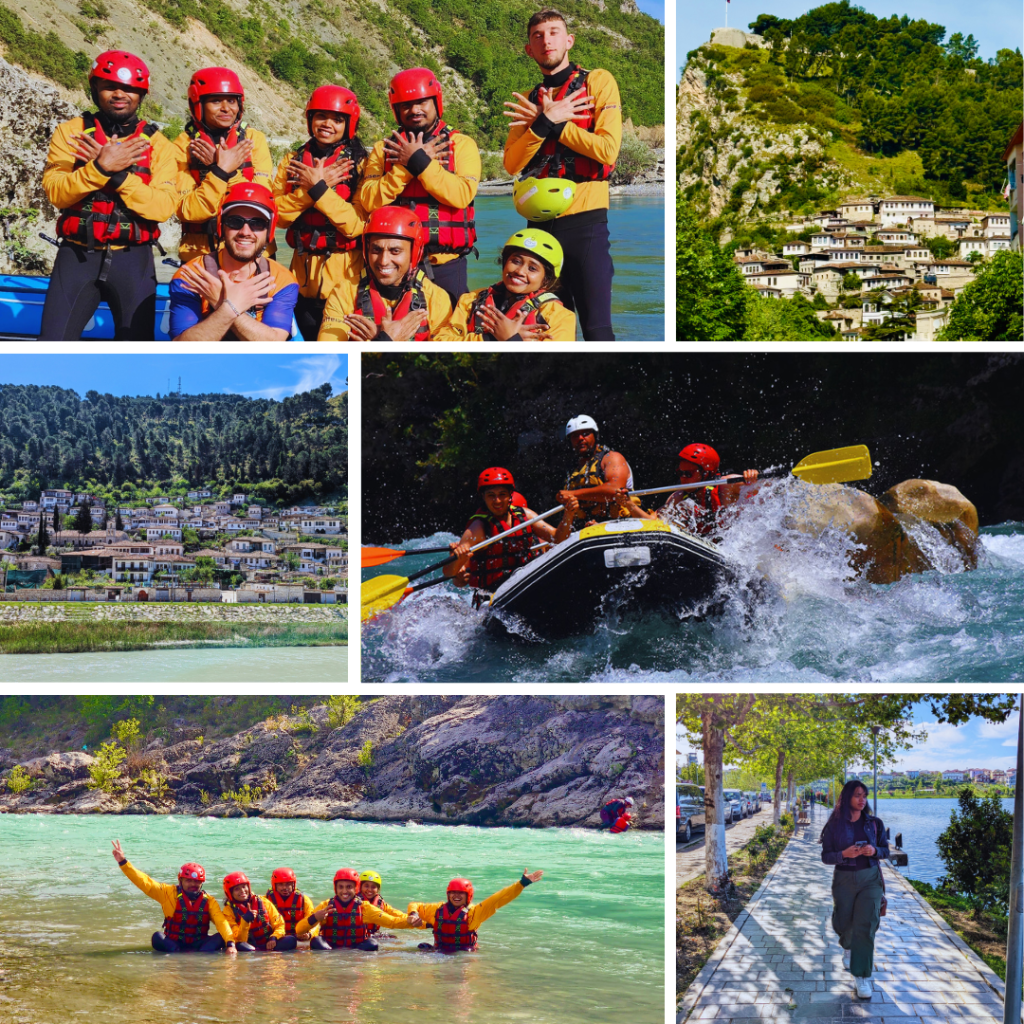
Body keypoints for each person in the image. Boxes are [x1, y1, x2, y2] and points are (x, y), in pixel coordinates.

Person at [39, 50, 178, 340]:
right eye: (110, 86)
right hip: (76, 255)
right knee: (52, 344)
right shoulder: (71, 133)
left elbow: (162, 208)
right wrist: (100, 167)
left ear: (141, 95)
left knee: (136, 351)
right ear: (95, 89)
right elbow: (57, 193)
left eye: (129, 88)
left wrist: (117, 176)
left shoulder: (159, 145)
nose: (119, 94)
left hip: (134, 260)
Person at [503, 10, 622, 340]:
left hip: (586, 223)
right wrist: (540, 124)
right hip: (538, 227)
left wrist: (557, 125)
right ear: (529, 49)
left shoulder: (598, 82)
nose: (546, 40)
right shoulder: (529, 102)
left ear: (568, 41)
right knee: (547, 332)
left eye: (554, 32)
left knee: (598, 331)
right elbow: (511, 164)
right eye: (538, 35)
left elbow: (607, 150)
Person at [359, 68, 480, 308]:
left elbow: (461, 195)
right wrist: (405, 166)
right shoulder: (380, 150)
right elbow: (369, 200)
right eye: (406, 105)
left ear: (436, 101)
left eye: (422, 102)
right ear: (396, 110)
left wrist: (420, 163)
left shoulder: (463, 145)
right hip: (393, 266)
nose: (415, 110)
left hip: (446, 264)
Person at [273, 85, 369, 338]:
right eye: (321, 117)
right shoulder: (292, 161)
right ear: (310, 120)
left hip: (346, 281)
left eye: (337, 119)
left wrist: (318, 188)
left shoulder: (361, 164)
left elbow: (355, 225)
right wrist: (310, 191)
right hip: (301, 280)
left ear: (349, 124)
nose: (327, 124)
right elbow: (277, 217)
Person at [169, 182, 298, 340]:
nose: (245, 232)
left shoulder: (281, 280)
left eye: (257, 224)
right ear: (221, 226)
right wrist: (229, 308)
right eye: (235, 222)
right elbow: (182, 347)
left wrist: (221, 302)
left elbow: (273, 342)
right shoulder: (190, 276)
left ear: (269, 231)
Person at [174, 67, 273, 263]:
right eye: (216, 101)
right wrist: (219, 172)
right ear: (198, 105)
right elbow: (188, 210)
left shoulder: (254, 140)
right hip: (199, 253)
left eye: (231, 101)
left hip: (251, 251)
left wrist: (228, 171)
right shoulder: (182, 145)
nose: (226, 108)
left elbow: (260, 203)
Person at [318, 205, 452, 341]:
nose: (383, 261)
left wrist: (378, 342)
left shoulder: (437, 299)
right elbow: (328, 355)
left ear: (414, 252)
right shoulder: (343, 293)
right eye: (376, 250)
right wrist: (386, 340)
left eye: (395, 251)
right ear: (367, 249)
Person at [444, 467, 577, 592]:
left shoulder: (526, 515)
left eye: (502, 494)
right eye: (491, 495)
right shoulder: (478, 528)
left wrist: (568, 515)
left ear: (510, 495)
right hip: (495, 593)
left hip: (526, 583)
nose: (497, 500)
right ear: (483, 497)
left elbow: (558, 538)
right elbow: (450, 574)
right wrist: (457, 559)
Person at [436, 229, 576, 341]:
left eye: (532, 268)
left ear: (546, 279)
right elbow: (441, 342)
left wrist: (512, 340)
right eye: (516, 261)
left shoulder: (560, 317)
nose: (520, 271)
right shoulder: (471, 300)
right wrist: (490, 339)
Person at [821, 780, 890, 1000]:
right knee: (844, 922)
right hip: (843, 879)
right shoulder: (835, 825)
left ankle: (861, 976)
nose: (862, 800)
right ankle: (848, 947)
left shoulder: (874, 823)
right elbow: (826, 856)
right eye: (857, 795)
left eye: (865, 795)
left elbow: (886, 851)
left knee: (866, 924)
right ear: (847, 797)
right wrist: (844, 855)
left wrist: (874, 850)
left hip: (870, 879)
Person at [110, 840, 234, 953]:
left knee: (220, 938)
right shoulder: (167, 892)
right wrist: (123, 862)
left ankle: (198, 957)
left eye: (197, 882)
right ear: (180, 881)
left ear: (202, 883)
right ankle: (178, 957)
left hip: (199, 945)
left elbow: (221, 923)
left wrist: (230, 943)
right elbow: (144, 882)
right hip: (174, 944)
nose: (193, 885)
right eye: (188, 881)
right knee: (157, 937)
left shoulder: (209, 901)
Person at [614, 444, 759, 537]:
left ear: (706, 474)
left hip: (736, 545)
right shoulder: (678, 498)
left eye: (688, 474)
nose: (683, 478)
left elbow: (765, 489)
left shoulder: (727, 485)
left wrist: (752, 477)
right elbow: (654, 523)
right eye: (680, 473)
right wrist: (628, 504)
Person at [408, 871, 544, 953]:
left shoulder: (474, 912)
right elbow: (415, 905)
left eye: (461, 893)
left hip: (464, 955)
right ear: (448, 894)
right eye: (453, 893)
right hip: (440, 952)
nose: (456, 896)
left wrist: (521, 884)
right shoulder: (437, 909)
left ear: (468, 895)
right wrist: (413, 914)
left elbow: (498, 899)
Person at [296, 868, 417, 950]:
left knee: (372, 944)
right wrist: (315, 918)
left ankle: (356, 964)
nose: (344, 891)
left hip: (356, 948)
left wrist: (411, 922)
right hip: (330, 947)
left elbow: (391, 922)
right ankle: (330, 965)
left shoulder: (365, 908)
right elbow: (299, 929)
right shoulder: (326, 905)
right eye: (341, 887)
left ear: (356, 888)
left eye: (349, 887)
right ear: (335, 888)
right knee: (316, 942)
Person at [557, 415, 637, 525]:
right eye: (575, 436)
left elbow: (615, 490)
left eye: (586, 434)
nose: (580, 438)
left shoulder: (612, 458)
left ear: (595, 436)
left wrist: (573, 494)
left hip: (621, 524)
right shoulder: (571, 470)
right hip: (585, 529)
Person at [221, 871, 296, 951]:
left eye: (244, 887)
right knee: (240, 945)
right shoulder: (228, 911)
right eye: (237, 889)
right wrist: (245, 921)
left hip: (268, 943)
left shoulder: (263, 901)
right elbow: (239, 939)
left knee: (291, 940)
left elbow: (279, 924)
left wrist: (274, 937)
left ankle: (264, 953)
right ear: (230, 893)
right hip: (248, 946)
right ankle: (257, 955)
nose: (242, 891)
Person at [265, 867, 318, 941]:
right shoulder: (265, 900)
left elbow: (315, 922)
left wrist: (309, 934)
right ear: (274, 885)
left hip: (298, 938)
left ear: (293, 884)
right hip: (275, 938)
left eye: (288, 884)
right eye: (280, 884)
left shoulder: (304, 900)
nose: (284, 888)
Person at [359, 870, 400, 938]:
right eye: (366, 886)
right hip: (357, 936)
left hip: (372, 934)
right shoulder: (355, 902)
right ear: (360, 887)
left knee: (393, 938)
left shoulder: (380, 903)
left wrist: (412, 919)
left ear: (378, 889)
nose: (369, 889)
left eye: (373, 887)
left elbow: (396, 914)